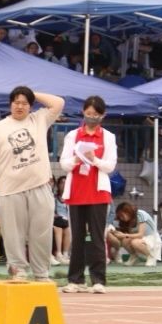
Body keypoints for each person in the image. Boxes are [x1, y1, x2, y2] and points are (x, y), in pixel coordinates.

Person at [0, 85, 68, 282]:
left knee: (42, 232)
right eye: (16, 102)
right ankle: (18, 269)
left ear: (31, 106)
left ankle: (41, 273)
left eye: (24, 103)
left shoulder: (39, 119)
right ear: (10, 104)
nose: (20, 106)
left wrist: (31, 93)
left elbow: (59, 103)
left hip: (40, 185)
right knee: (13, 233)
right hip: (10, 190)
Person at [57, 95, 114, 292]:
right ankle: (76, 280)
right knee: (77, 237)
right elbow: (64, 163)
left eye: (96, 114)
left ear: (103, 115)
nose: (91, 117)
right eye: (88, 113)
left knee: (97, 237)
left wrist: (94, 159)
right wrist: (77, 159)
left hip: (98, 193)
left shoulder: (108, 137)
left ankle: (98, 280)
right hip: (76, 192)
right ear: (83, 112)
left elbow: (110, 166)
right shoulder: (72, 135)